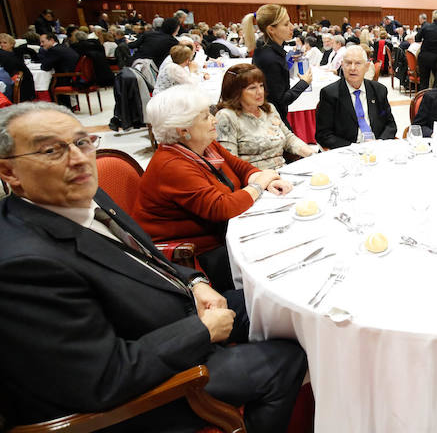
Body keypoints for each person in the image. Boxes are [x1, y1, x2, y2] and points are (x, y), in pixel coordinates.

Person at [0, 103, 307, 432]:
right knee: (287, 361)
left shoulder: (85, 194)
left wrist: (196, 282)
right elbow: (101, 379)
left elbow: (146, 256)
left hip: (173, 311)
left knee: (285, 303)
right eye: (51, 150)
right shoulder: (23, 266)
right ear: (9, 172)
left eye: (82, 142)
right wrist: (201, 331)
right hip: (155, 383)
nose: (78, 159)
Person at [132, 86, 293, 290]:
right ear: (183, 131)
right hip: (194, 257)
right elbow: (221, 208)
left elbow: (239, 167)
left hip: (223, 233)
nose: (214, 120)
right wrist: (259, 184)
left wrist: (264, 179)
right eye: (206, 117)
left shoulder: (203, 145)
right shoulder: (172, 165)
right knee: (278, 260)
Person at [216, 63, 315, 169]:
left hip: (283, 171)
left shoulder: (269, 109)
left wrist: (312, 154)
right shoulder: (227, 116)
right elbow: (230, 163)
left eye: (261, 85)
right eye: (252, 88)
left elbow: (288, 139)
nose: (260, 92)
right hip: (254, 178)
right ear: (236, 92)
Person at [315, 45, 397, 149]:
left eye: (358, 63)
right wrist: (353, 148)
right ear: (342, 65)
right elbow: (323, 135)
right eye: (348, 63)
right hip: (347, 151)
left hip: (378, 148)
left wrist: (379, 143)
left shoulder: (379, 90)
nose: (352, 68)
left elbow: (390, 125)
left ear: (367, 67)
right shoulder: (330, 94)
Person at [248, 4, 312, 126]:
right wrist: (303, 83)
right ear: (271, 29)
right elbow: (281, 100)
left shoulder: (265, 47)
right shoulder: (270, 58)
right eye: (286, 24)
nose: (292, 27)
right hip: (273, 120)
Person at [0, 34, 36, 101]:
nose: (2, 45)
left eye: (5, 43)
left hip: (22, 79)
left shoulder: (18, 52)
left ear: (12, 44)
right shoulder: (3, 54)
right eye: (0, 43)